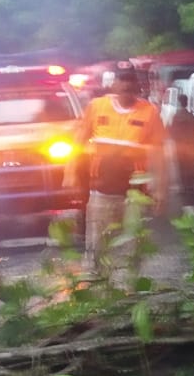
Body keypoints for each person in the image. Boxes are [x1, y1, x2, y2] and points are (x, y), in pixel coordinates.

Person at [68, 62, 166, 266]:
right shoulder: (97, 107)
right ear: (114, 84)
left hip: (135, 193)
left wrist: (161, 189)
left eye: (130, 80)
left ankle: (130, 289)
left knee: (131, 246)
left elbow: (159, 153)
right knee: (97, 244)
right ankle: (96, 282)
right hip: (101, 190)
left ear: (137, 85)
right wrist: (70, 173)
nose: (126, 85)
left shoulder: (149, 112)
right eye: (122, 80)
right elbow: (79, 142)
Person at [169, 93, 194, 212]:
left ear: (179, 102)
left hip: (180, 149)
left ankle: (184, 190)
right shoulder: (191, 117)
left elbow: (172, 133)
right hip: (191, 148)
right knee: (191, 173)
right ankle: (192, 195)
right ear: (186, 102)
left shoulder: (176, 116)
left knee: (181, 169)